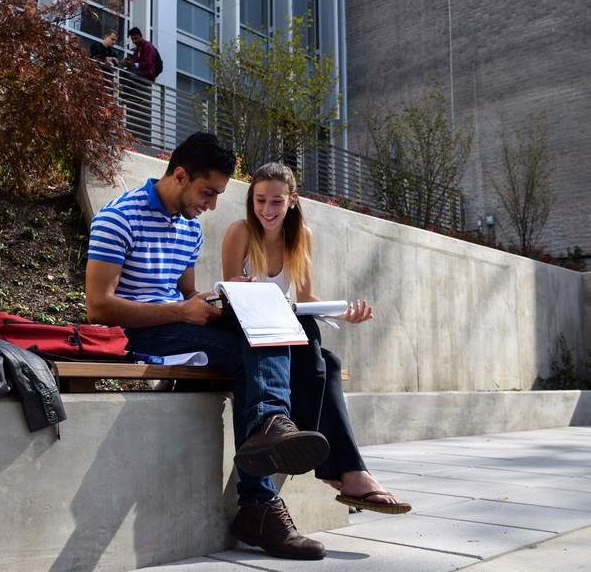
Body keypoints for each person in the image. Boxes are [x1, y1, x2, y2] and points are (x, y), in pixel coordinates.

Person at [85, 132, 331, 560]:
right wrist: (183, 312)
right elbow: (99, 308)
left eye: (218, 194)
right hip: (137, 332)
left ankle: (267, 440)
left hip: (176, 324)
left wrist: (219, 304)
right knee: (251, 353)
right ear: (179, 175)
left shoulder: (189, 228)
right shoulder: (118, 218)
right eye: (208, 192)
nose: (212, 205)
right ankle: (261, 494)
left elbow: (185, 296)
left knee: (265, 321)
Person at [221, 162, 411, 515]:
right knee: (314, 346)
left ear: (292, 200)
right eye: (260, 200)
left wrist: (343, 313)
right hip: (248, 327)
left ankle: (338, 466)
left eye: (276, 202)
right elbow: (230, 293)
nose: (267, 210)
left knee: (330, 361)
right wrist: (241, 287)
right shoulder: (241, 231)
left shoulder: (302, 236)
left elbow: (306, 298)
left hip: (284, 328)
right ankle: (344, 471)